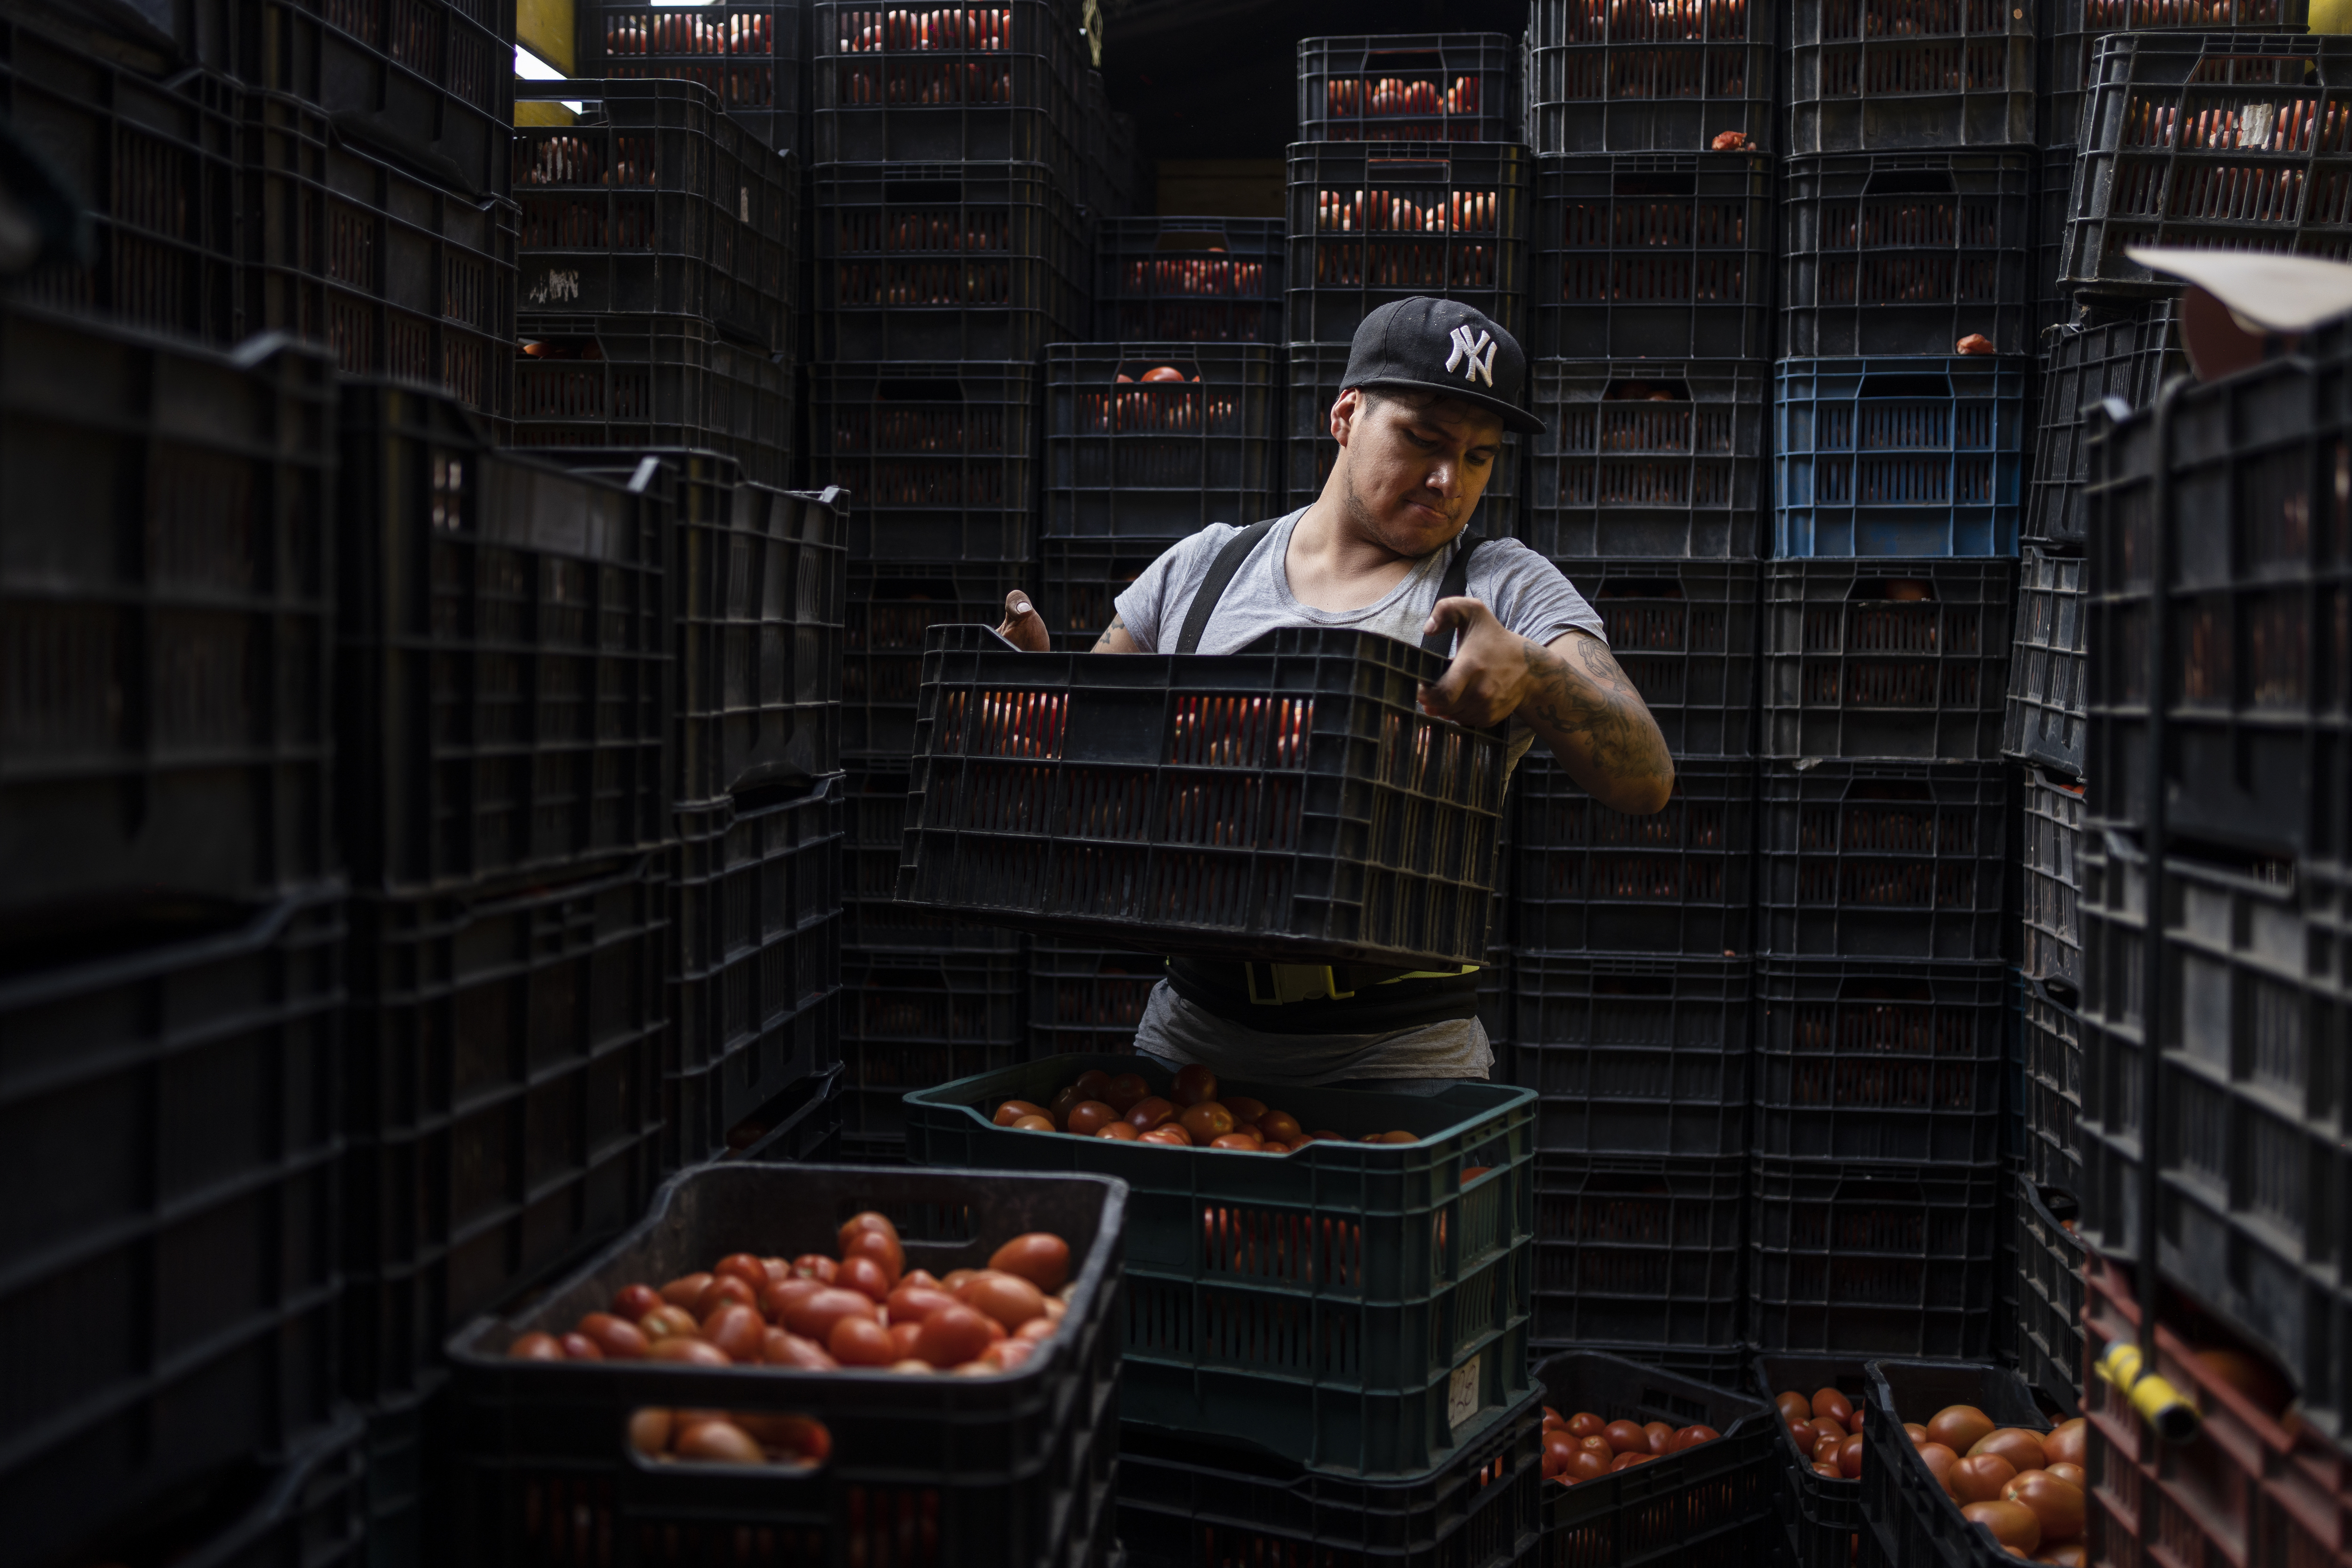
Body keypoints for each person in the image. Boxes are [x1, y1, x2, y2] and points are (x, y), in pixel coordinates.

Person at [993, 296, 1674, 1092]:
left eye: (1480, 456)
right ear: (1347, 415)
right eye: (1422, 438)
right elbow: (1086, 790)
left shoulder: (1502, 585)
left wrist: (1532, 668)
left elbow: (1647, 773)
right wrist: (1033, 704)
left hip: (1401, 1060)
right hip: (1190, 1048)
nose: (1449, 479)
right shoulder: (1201, 572)